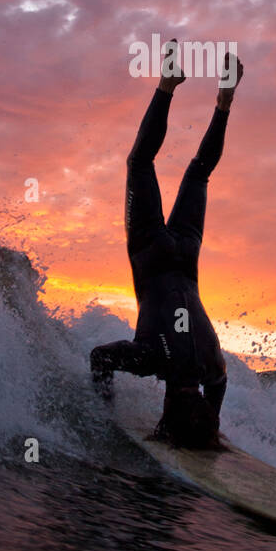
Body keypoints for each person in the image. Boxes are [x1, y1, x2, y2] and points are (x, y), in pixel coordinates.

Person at [90, 42, 243, 449]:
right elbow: (100, 357)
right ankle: (167, 85)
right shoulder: (153, 358)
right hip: (152, 253)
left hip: (187, 255)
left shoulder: (214, 367)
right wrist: (104, 413)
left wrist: (211, 422)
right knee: (140, 163)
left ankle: (224, 104)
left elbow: (216, 393)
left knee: (200, 173)